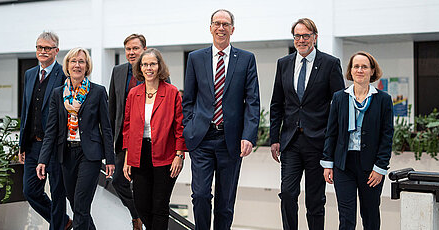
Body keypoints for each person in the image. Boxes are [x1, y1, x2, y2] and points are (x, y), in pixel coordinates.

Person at [182, 9, 260, 230]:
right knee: (200, 195)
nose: (221, 28)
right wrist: (189, 127)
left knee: (225, 203)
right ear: (210, 28)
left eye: (226, 24)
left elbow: (252, 101)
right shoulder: (196, 58)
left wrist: (248, 136)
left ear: (232, 29)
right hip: (202, 138)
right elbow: (188, 99)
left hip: (231, 140)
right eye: (217, 23)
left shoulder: (246, 59)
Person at [269, 18, 345, 230]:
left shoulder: (330, 64)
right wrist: (274, 139)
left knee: (315, 200)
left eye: (305, 36)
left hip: (317, 142)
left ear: (315, 37)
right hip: (291, 141)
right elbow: (276, 104)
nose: (301, 40)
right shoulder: (283, 64)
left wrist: (333, 142)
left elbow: (338, 106)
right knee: (287, 194)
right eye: (297, 36)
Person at [37, 47, 115, 230]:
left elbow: (106, 128)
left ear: (87, 66)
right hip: (65, 154)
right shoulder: (58, 94)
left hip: (90, 155)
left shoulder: (98, 92)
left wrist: (110, 159)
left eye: (81, 61)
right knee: (75, 204)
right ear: (67, 65)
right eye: (73, 61)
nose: (77, 65)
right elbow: (51, 130)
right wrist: (43, 160)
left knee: (80, 204)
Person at [321, 51, 393, 230]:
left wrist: (380, 167)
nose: (360, 70)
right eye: (356, 66)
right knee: (346, 217)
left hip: (371, 166)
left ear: (372, 71)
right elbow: (331, 132)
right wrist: (328, 163)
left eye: (364, 67)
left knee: (370, 214)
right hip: (343, 164)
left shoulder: (383, 99)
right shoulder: (339, 97)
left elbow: (387, 136)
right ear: (350, 71)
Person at [122, 48, 186, 230]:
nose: (148, 68)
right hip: (139, 154)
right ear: (140, 68)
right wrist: (128, 157)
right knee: (141, 204)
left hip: (166, 155)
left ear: (159, 67)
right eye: (145, 64)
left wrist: (179, 155)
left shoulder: (172, 92)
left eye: (152, 64)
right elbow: (127, 127)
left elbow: (179, 126)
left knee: (160, 205)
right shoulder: (134, 93)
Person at [18, 31, 71, 230]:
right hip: (33, 145)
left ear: (56, 51)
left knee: (58, 194)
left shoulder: (64, 75)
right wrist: (22, 144)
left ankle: (57, 226)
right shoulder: (30, 74)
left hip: (56, 146)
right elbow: (26, 109)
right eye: (39, 47)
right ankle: (63, 222)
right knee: (30, 191)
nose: (42, 51)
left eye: (47, 48)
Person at [108, 34, 147, 230]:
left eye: (135, 49)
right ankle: (136, 215)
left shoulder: (153, 69)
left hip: (146, 140)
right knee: (118, 182)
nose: (131, 53)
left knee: (142, 185)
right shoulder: (118, 71)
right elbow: (112, 109)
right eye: (128, 49)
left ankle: (145, 218)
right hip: (123, 139)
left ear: (144, 50)